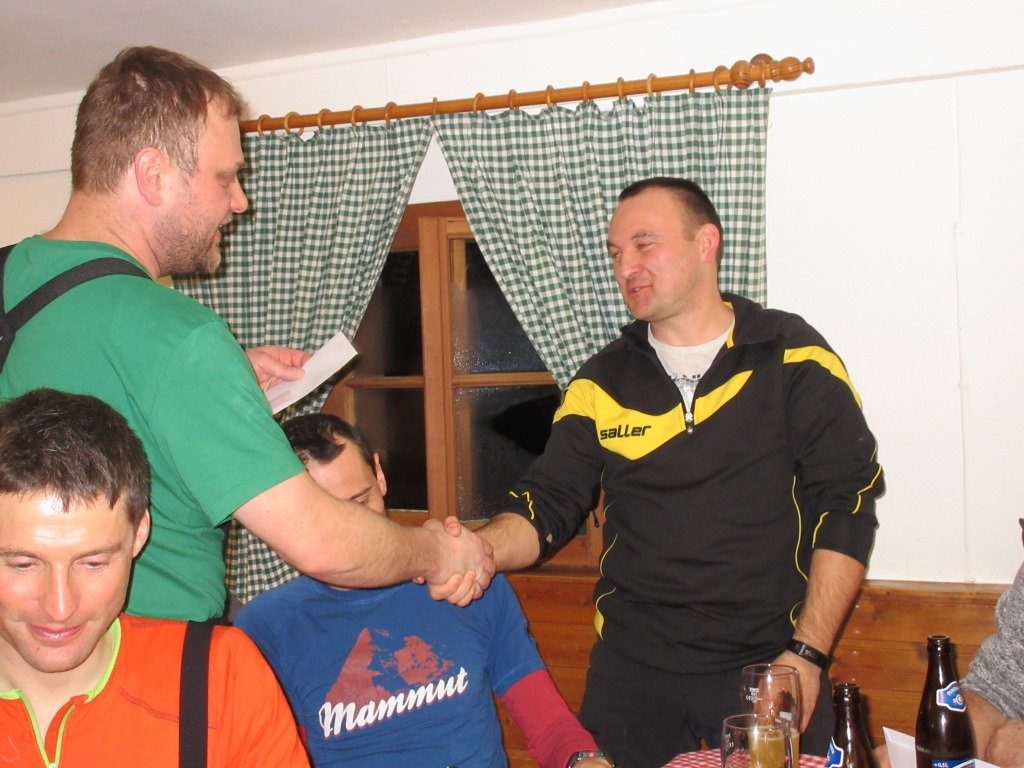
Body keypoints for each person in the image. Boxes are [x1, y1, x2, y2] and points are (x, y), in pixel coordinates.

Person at [0, 45, 492, 623]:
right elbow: (321, 543)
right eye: (226, 177)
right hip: (143, 655)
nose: (240, 201)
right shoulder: (178, 336)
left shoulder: (14, 275)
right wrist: (437, 551)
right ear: (153, 175)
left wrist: (217, 386)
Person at [466, 177, 885, 768]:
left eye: (645, 244)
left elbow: (847, 504)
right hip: (633, 669)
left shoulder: (792, 354)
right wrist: (476, 551)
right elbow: (547, 504)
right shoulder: (601, 382)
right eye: (616, 253)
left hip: (768, 663)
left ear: (705, 242)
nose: (626, 267)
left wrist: (808, 655)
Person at [235, 413, 613, 768]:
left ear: (379, 475)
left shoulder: (465, 579)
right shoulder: (267, 628)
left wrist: (583, 760)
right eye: (330, 517)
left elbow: (548, 723)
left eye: (361, 501)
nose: (356, 530)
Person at [0, 388, 309, 767]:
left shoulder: (220, 677)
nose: (59, 607)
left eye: (93, 563)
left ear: (139, 534)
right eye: (23, 564)